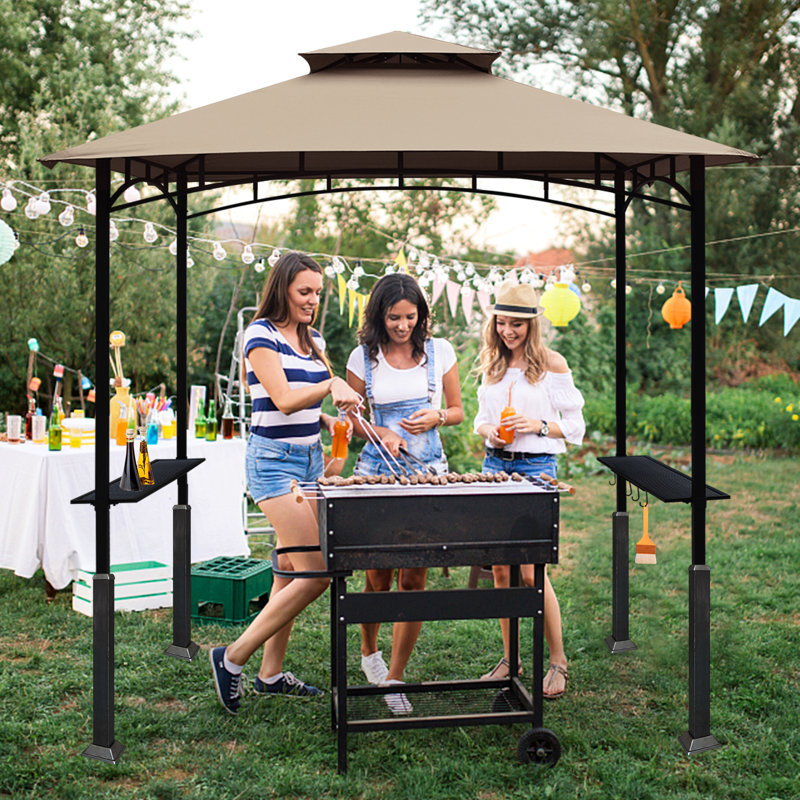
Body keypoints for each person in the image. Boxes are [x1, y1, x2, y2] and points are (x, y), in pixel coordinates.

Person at [210, 251, 361, 715]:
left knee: (290, 571)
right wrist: (329, 387)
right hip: (273, 465)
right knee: (318, 572)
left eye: (317, 292)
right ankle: (231, 657)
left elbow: (308, 408)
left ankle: (270, 676)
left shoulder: (313, 340)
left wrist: (335, 421)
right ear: (283, 290)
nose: (313, 300)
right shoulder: (260, 336)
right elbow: (282, 399)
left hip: (310, 463)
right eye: (304, 292)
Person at [345, 273, 464, 713]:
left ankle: (396, 677)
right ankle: (369, 655)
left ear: (421, 315)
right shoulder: (363, 357)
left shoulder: (440, 352)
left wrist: (436, 416)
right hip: (378, 470)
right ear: (379, 315)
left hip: (428, 471)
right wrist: (378, 429)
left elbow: (457, 411)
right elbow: (349, 419)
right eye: (394, 318)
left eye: (410, 317)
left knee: (415, 575)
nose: (402, 326)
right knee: (377, 574)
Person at [474, 281, 585, 700]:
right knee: (500, 569)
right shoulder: (493, 364)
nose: (507, 331)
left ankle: (558, 662)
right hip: (495, 467)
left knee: (530, 568)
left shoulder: (551, 364)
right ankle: (510, 658)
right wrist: (493, 435)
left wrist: (536, 426)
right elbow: (481, 422)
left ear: (531, 324)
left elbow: (575, 428)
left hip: (537, 469)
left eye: (516, 324)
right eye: (501, 322)